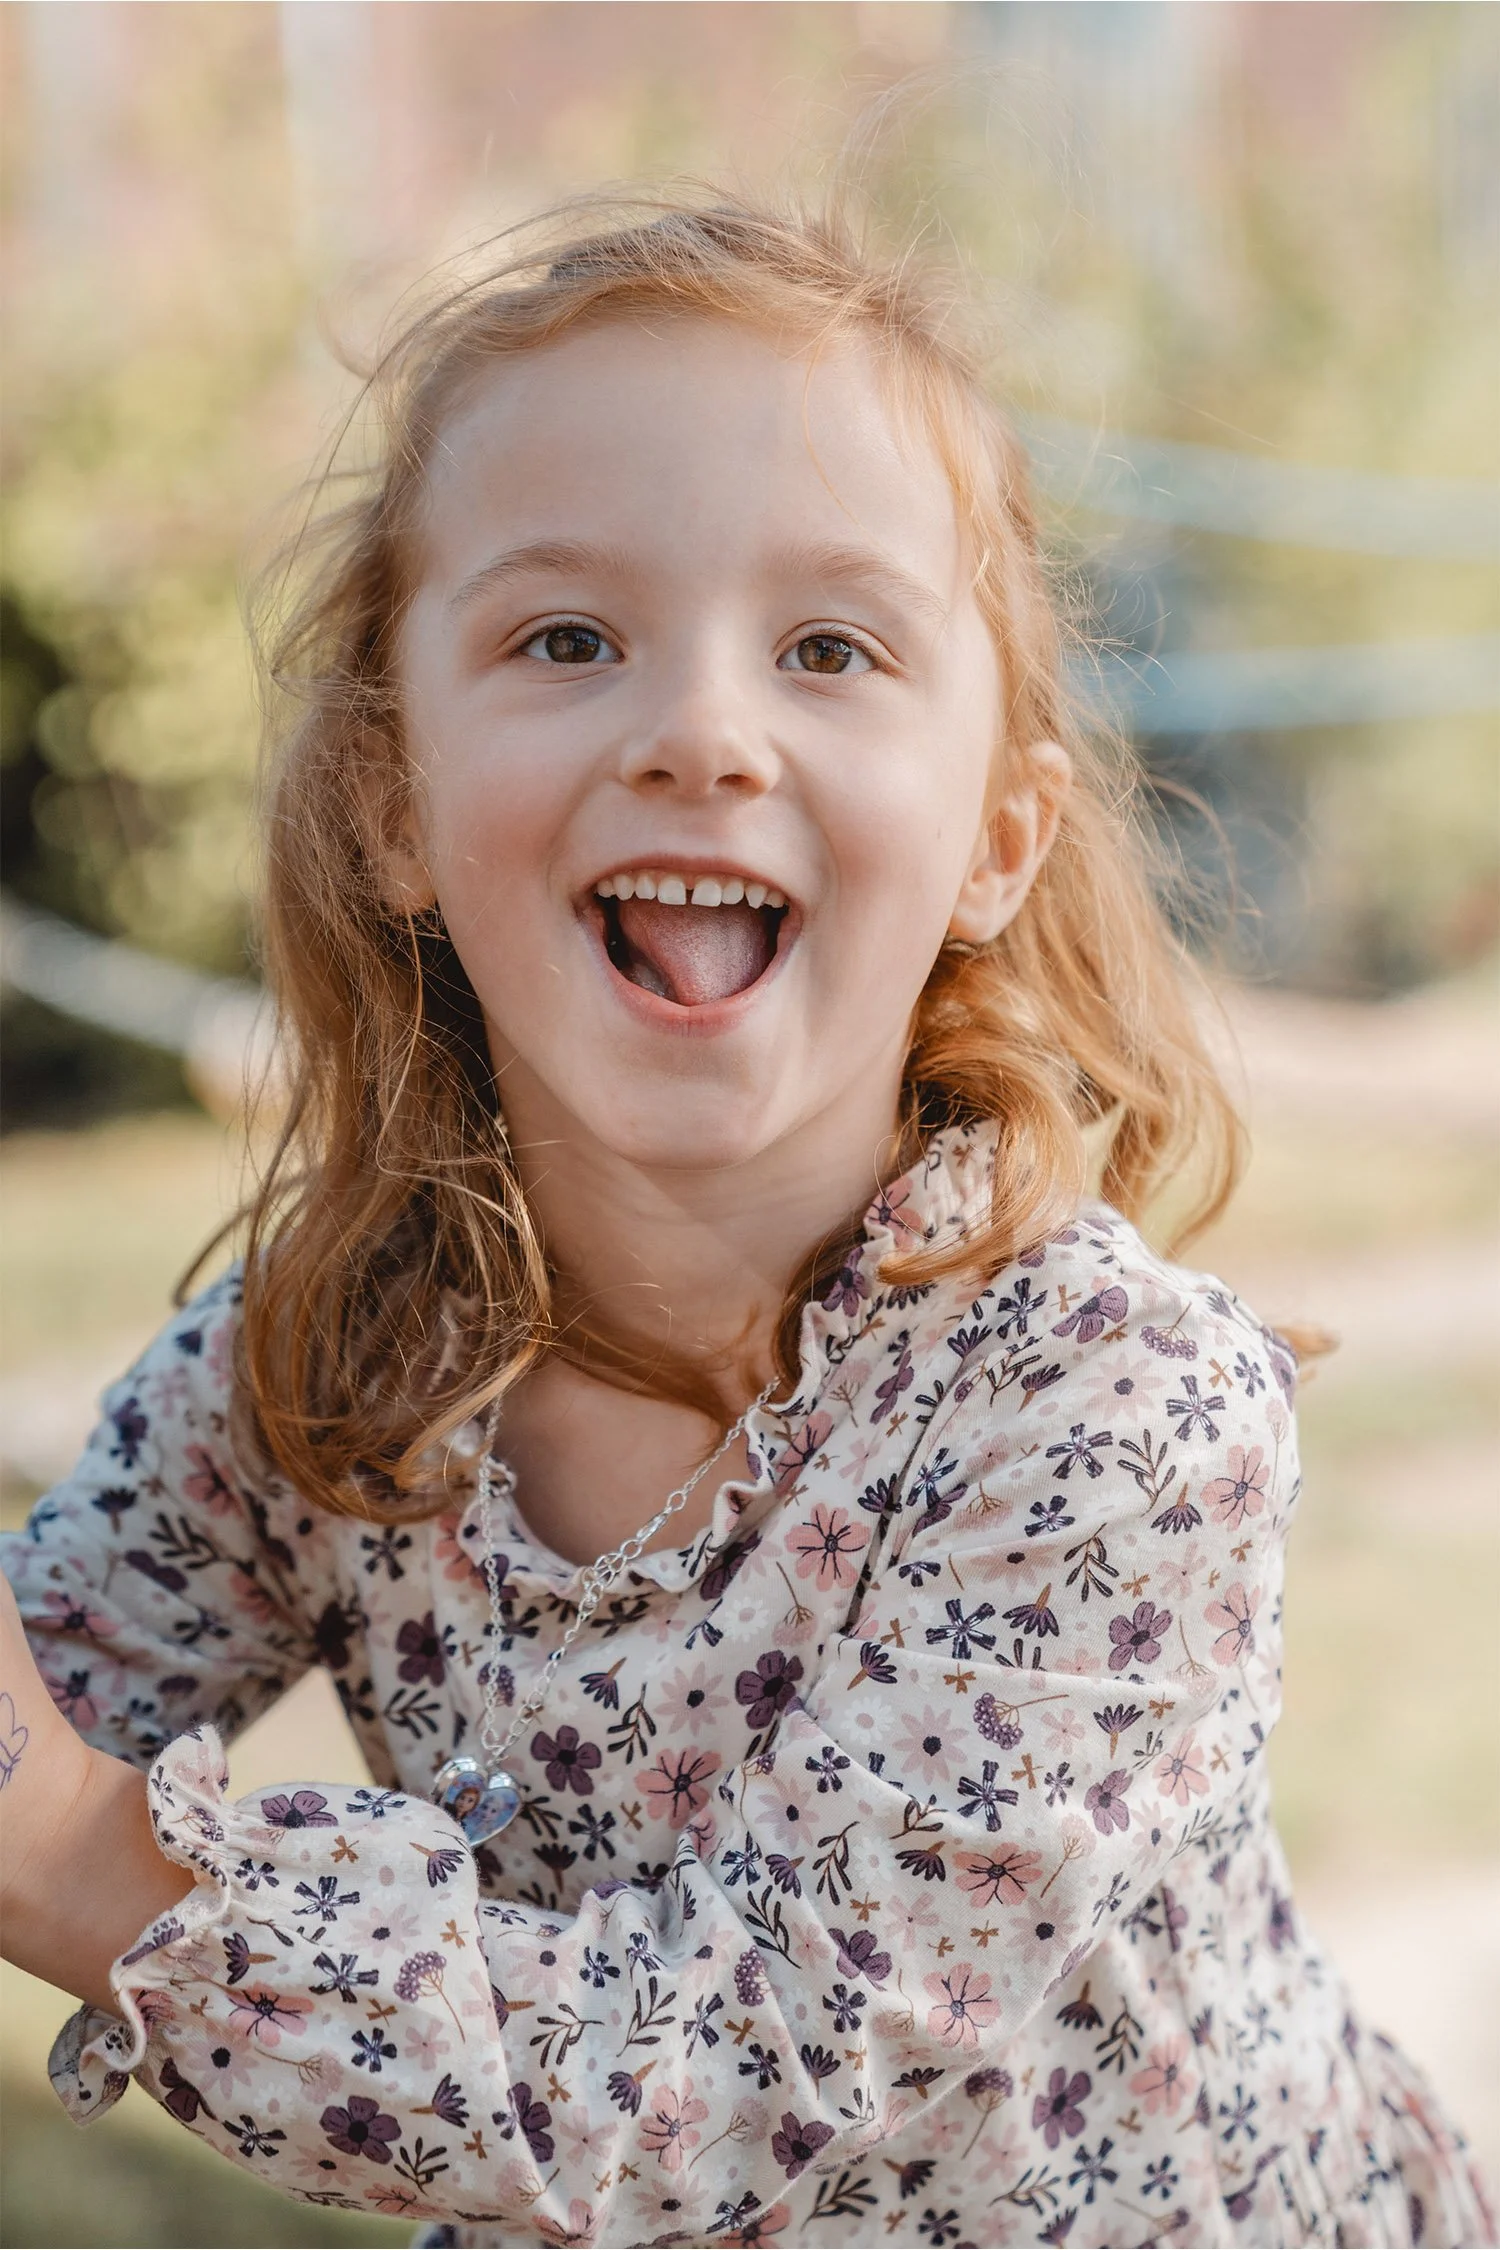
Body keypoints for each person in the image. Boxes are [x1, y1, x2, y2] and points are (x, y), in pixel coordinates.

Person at [0, 191, 1491, 2250]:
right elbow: (40, 1679)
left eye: (827, 647)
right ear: (393, 810)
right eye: (567, 637)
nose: (702, 731)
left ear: (993, 838)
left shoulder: (1108, 1420)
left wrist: (100, 1874)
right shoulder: (332, 1364)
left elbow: (732, 2086)